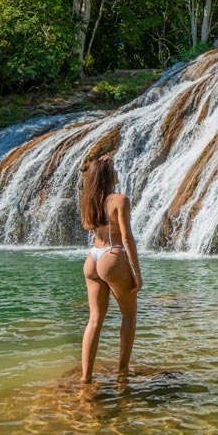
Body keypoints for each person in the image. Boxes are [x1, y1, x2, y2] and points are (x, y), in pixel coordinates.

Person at [78, 154, 142, 383]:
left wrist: (101, 164)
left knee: (94, 319)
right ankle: (122, 373)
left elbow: (89, 226)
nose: (117, 172)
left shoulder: (89, 201)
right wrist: (137, 272)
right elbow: (127, 239)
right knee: (129, 314)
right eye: (113, 169)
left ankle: (86, 378)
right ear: (108, 176)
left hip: (93, 258)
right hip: (112, 256)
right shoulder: (120, 200)